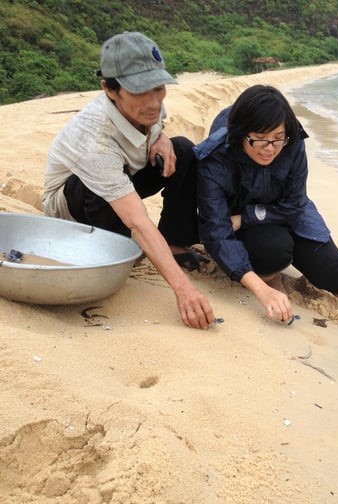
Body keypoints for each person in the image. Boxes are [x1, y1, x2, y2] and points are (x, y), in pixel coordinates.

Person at [194, 85, 338, 329]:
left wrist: (246, 217)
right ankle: (270, 278)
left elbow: (294, 204)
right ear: (241, 134)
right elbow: (216, 231)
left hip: (285, 211)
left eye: (277, 139)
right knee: (272, 249)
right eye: (260, 140)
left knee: (330, 269)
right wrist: (261, 290)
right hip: (248, 229)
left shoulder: (291, 140)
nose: (270, 148)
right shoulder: (216, 156)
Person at [43, 31, 215, 329]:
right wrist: (183, 289)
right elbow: (138, 220)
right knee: (121, 228)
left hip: (123, 177)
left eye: (158, 88)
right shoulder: (96, 140)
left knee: (184, 150)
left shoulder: (152, 105)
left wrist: (161, 137)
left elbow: (157, 121)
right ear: (110, 89)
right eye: (139, 91)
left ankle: (173, 243)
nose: (153, 102)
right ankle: (111, 246)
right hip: (73, 205)